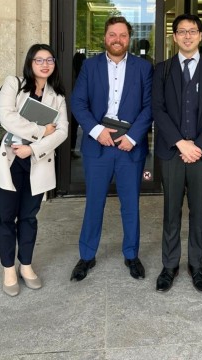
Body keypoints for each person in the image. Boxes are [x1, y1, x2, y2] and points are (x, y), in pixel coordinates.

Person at [70, 16, 153, 282]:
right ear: (105, 38)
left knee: (130, 204)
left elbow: (150, 106)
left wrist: (134, 137)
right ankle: (87, 255)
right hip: (98, 145)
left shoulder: (144, 68)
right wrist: (96, 131)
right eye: (112, 35)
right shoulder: (89, 66)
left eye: (123, 35)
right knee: (94, 203)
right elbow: (78, 102)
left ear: (129, 38)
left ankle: (131, 255)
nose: (117, 40)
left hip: (130, 146)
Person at [0, 44, 68, 296]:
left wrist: (33, 149)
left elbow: (62, 131)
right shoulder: (14, 84)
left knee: (29, 217)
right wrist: (41, 131)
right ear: (30, 62)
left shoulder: (57, 96)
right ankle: (9, 269)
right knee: (6, 216)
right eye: (38, 60)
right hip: (8, 162)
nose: (44, 64)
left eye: (49, 60)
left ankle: (26, 265)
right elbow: (7, 117)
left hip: (35, 162)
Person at [152, 13, 202, 293]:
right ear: (174, 37)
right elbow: (158, 109)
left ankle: (197, 266)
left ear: (200, 36)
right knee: (171, 211)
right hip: (172, 153)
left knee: (198, 212)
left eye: (192, 31)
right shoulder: (162, 70)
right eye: (181, 31)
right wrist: (180, 143)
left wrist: (198, 146)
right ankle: (169, 266)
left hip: (201, 155)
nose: (187, 36)